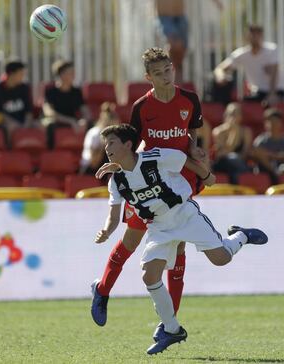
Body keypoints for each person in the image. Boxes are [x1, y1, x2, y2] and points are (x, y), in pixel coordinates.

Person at [94, 124, 268, 355]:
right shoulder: (116, 181)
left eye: (111, 142)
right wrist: (106, 231)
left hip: (183, 214)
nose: (107, 148)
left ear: (128, 145)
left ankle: (241, 235)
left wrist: (206, 175)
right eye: (105, 144)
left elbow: (181, 158)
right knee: (149, 274)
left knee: (221, 259)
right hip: (158, 226)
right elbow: (114, 216)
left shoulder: (153, 158)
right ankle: (172, 329)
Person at [90, 47, 206, 336]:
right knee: (132, 237)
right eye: (158, 73)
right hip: (149, 180)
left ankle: (170, 320)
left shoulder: (189, 99)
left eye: (168, 69)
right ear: (148, 77)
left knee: (178, 244)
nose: (166, 76)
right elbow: (132, 144)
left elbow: (192, 133)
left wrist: (195, 149)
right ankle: (102, 290)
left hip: (181, 179)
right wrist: (123, 170)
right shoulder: (143, 107)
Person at [214, 24, 284, 106]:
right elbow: (220, 68)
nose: (254, 37)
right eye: (252, 34)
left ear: (261, 36)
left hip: (277, 91)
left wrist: (272, 94)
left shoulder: (271, 50)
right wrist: (221, 77)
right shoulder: (242, 54)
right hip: (258, 92)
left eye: (257, 34)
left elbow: (274, 72)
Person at [42, 60, 90, 149]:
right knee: (49, 125)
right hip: (58, 121)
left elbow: (85, 110)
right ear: (61, 75)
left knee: (92, 125)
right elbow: (49, 112)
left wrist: (84, 120)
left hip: (73, 121)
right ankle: (50, 153)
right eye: (70, 73)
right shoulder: (50, 91)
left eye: (73, 73)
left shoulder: (76, 91)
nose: (73, 76)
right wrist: (70, 121)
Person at [0, 60, 35, 139]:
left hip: (23, 122)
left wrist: (26, 125)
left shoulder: (25, 87)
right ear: (11, 74)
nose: (23, 76)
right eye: (20, 74)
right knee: (11, 127)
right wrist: (15, 124)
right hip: (5, 122)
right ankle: (10, 150)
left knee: (40, 127)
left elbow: (29, 111)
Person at [212, 102, 252, 184]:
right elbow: (222, 154)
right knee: (233, 157)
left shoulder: (246, 131)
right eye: (232, 114)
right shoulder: (219, 131)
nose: (234, 117)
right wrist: (233, 133)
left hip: (240, 162)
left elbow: (245, 153)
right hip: (222, 163)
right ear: (226, 115)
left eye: (237, 113)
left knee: (236, 163)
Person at [252, 108, 284, 183]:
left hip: (281, 168)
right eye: (271, 121)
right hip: (264, 170)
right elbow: (257, 153)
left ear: (281, 123)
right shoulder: (260, 141)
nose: (273, 124)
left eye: (276, 121)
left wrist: (268, 154)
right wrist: (273, 157)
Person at [80, 102, 120, 175]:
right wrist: (104, 144)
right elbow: (93, 162)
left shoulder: (116, 135)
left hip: (106, 169)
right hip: (89, 170)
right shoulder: (95, 133)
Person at [156, 0, 188, 84]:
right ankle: (165, 73)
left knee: (180, 55)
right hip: (165, 17)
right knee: (173, 45)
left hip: (180, 17)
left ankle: (178, 86)